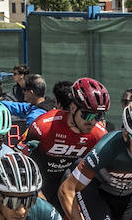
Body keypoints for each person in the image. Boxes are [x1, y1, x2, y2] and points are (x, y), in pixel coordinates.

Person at [23, 78, 109, 212]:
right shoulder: (44, 126)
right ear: (73, 108)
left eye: (98, 116)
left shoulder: (98, 134)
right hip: (36, 180)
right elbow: (20, 161)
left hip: (67, 184)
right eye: (87, 115)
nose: (92, 122)